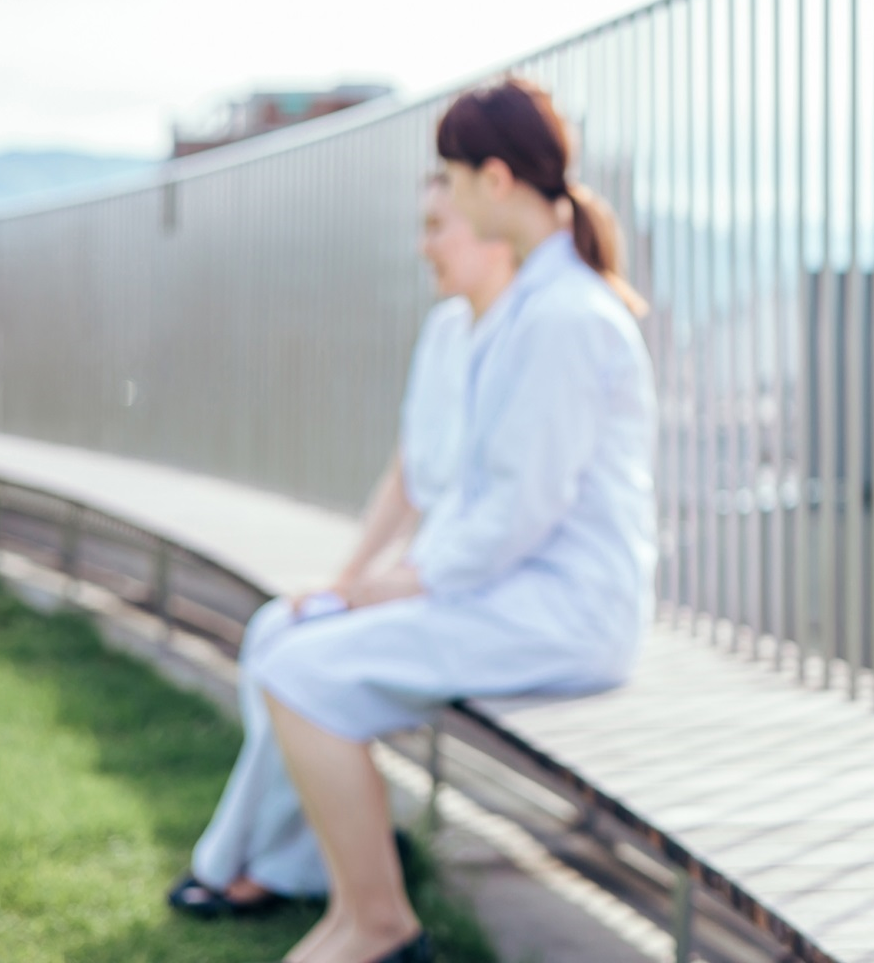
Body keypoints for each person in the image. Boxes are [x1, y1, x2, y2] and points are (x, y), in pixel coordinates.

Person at [234, 78, 653, 963]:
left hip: (562, 611)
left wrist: (395, 584)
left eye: (451, 179)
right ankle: (353, 912)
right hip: (515, 593)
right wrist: (379, 584)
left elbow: (518, 512)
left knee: (306, 674)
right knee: (301, 659)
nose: (445, 199)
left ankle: (378, 926)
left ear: (493, 181)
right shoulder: (534, 310)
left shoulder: (565, 318)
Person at [170, 176, 517, 917]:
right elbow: (409, 470)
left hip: (459, 586)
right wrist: (348, 577)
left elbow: (499, 522)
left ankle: (239, 861)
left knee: (296, 660)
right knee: (279, 625)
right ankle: (286, 863)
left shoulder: (518, 342)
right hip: (417, 575)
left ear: (492, 225)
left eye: (436, 225)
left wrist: (374, 590)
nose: (423, 245)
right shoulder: (446, 331)